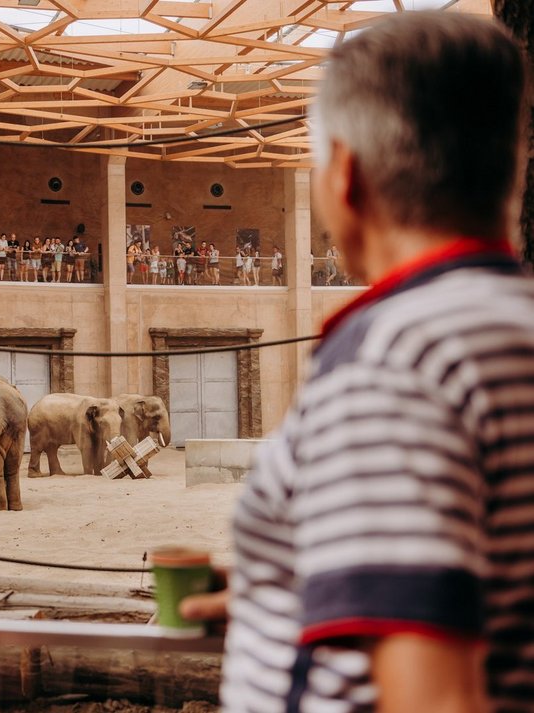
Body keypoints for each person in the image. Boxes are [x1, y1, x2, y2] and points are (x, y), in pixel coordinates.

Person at [180, 13, 532, 712]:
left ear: (344, 173)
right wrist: (296, 590)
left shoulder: (391, 364)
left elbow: (436, 699)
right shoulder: (508, 323)